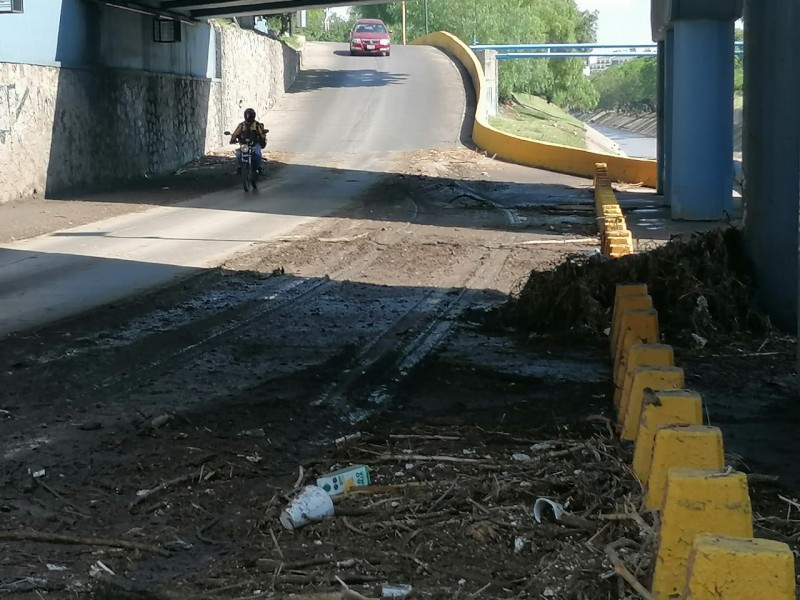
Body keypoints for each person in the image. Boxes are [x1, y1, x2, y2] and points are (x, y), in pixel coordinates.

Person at [229, 108, 267, 175]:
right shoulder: (241, 125)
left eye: (250, 115)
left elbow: (262, 134)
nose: (248, 117)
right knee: (238, 154)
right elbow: (235, 133)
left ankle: (259, 167)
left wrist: (263, 139)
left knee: (258, 153)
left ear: (253, 116)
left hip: (255, 144)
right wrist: (233, 139)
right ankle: (239, 167)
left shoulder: (257, 125)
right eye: (247, 115)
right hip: (245, 145)